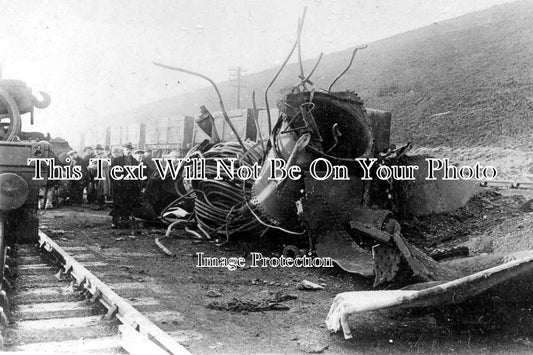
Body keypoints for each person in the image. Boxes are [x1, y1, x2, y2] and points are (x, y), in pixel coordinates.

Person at [109, 142, 142, 228]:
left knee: (128, 204)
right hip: (119, 186)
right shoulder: (117, 160)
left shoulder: (135, 162)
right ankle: (115, 221)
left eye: (130, 149)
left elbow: (138, 175)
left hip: (130, 187)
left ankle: (125, 221)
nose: (128, 151)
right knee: (117, 204)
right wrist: (116, 183)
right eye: (127, 149)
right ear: (123, 150)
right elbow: (112, 173)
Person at [88, 144, 111, 210]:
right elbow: (92, 164)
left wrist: (92, 167)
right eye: (96, 150)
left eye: (98, 150)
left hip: (102, 175)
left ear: (102, 150)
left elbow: (101, 165)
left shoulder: (105, 157)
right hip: (96, 175)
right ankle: (99, 204)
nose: (97, 151)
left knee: (101, 189)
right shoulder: (96, 157)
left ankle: (101, 204)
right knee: (97, 189)